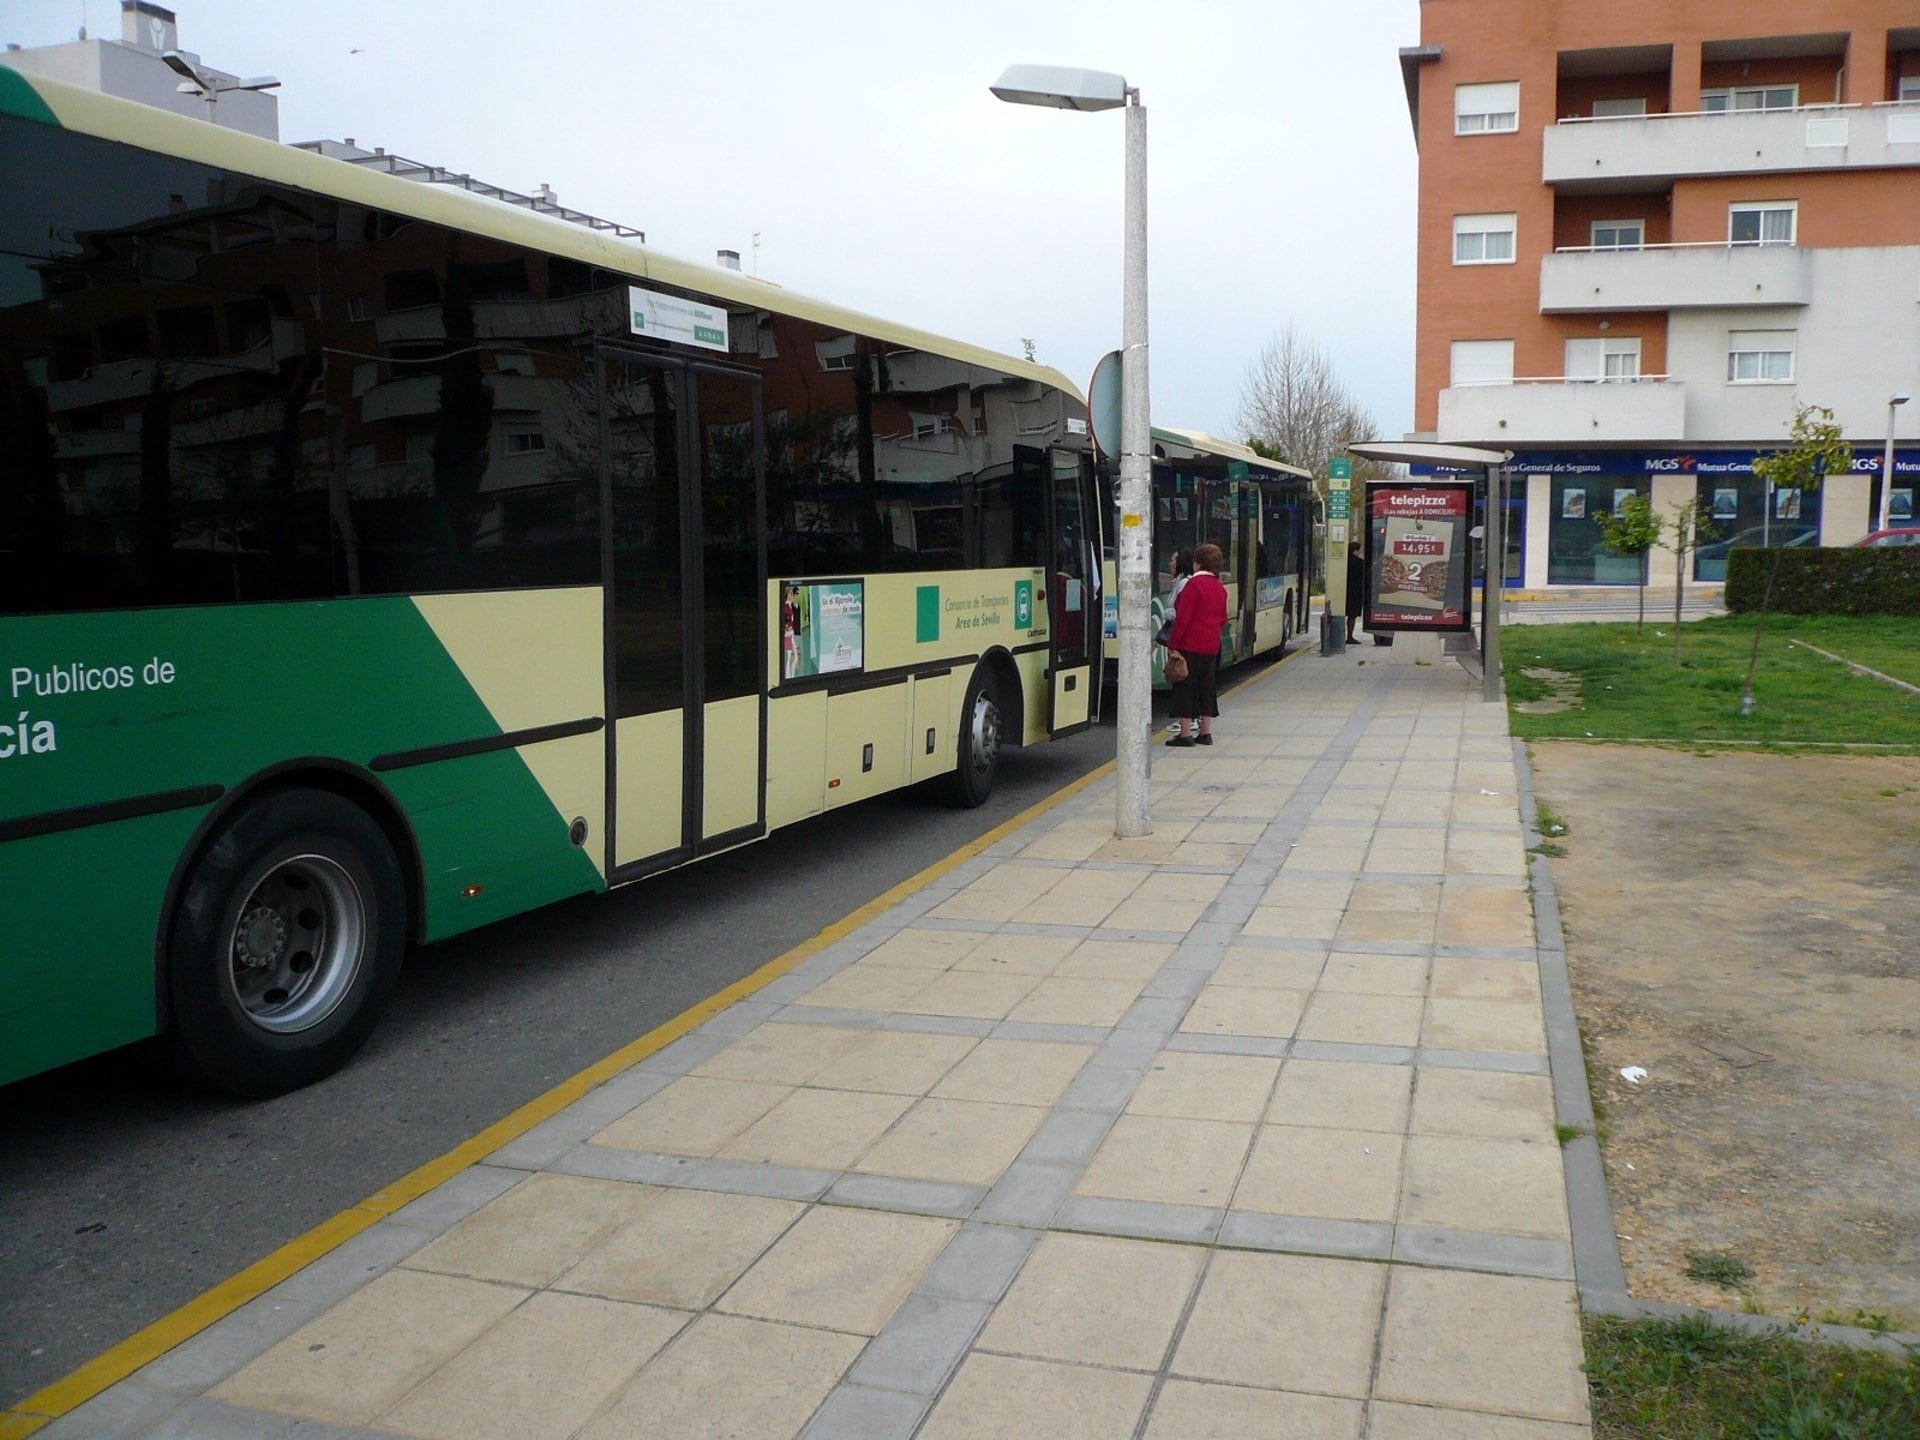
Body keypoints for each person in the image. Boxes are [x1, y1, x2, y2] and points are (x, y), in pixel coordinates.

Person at [1167, 542, 1227, 747]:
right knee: (1207, 687)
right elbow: (1223, 619)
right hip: (1211, 646)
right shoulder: (1220, 589)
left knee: (1185, 687)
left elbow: (1182, 620)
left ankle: (1185, 734)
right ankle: (1205, 732)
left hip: (1190, 644)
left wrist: (1173, 645)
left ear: (1198, 563)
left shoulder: (1193, 587)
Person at [1345, 538, 1366, 643]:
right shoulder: (1359, 562)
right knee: (1352, 616)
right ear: (1356, 550)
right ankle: (1350, 636)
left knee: (1348, 615)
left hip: (1345, 591)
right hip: (1356, 592)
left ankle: (1347, 636)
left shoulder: (1345, 561)